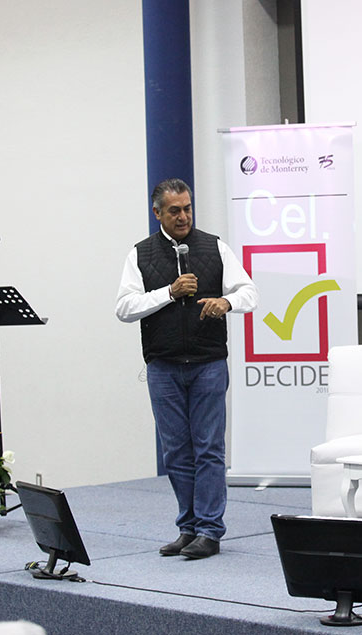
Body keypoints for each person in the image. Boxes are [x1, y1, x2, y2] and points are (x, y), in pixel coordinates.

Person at [115, 178, 258, 559]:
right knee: (176, 450)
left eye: (188, 208)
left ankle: (210, 530)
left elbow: (249, 291)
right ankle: (188, 526)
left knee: (209, 448)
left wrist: (227, 303)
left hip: (208, 362)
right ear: (157, 212)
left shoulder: (214, 247)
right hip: (163, 365)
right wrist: (169, 292)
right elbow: (124, 308)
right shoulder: (140, 255)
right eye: (175, 210)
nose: (183, 216)